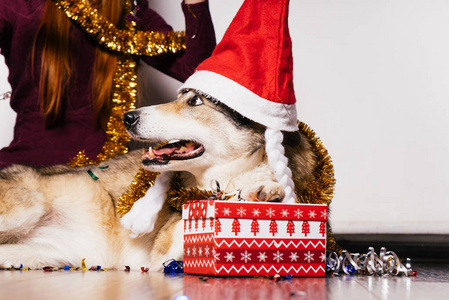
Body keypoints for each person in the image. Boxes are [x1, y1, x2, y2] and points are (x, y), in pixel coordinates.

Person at [0, 0, 216, 169]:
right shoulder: (19, 6)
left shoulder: (129, 12)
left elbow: (200, 73)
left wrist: (195, 3)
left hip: (98, 178)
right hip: (22, 171)